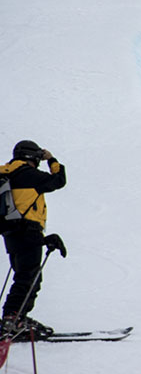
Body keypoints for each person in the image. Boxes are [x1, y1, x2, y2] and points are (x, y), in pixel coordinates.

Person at [0, 140, 67, 338]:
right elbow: (58, 180)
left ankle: (13, 317)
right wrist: (52, 159)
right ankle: (12, 320)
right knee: (30, 276)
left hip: (9, 232)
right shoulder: (28, 174)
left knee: (24, 274)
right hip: (28, 230)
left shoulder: (4, 173)